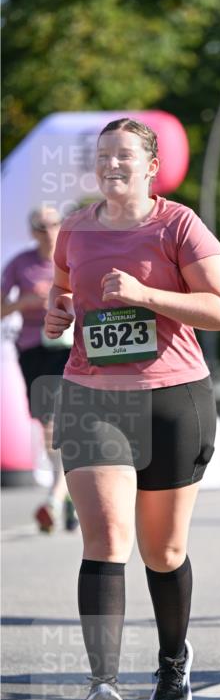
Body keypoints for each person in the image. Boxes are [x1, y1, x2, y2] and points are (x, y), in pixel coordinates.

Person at [43, 118, 220, 700]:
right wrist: (58, 313)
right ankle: (102, 685)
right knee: (105, 539)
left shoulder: (179, 225)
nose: (112, 165)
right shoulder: (75, 228)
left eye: (124, 155)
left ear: (151, 166)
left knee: (164, 551)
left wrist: (145, 295)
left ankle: (173, 662)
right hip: (91, 396)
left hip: (172, 399)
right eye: (103, 155)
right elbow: (64, 289)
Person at [1, 206, 77, 532]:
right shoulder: (20, 264)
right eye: (41, 226)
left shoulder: (74, 258)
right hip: (33, 349)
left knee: (61, 420)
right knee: (47, 427)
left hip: (68, 349)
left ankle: (55, 499)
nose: (48, 231)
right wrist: (26, 302)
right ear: (32, 231)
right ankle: (67, 492)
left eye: (53, 223)